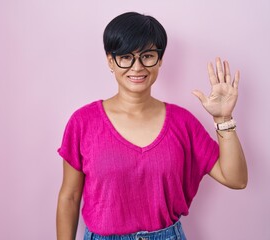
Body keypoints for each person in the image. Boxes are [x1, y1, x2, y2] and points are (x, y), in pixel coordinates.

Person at [56, 11, 247, 240]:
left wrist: (223, 119)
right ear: (110, 60)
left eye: (147, 56)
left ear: (160, 60)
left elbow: (236, 179)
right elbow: (70, 197)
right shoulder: (83, 122)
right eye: (125, 57)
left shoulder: (183, 122)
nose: (137, 67)